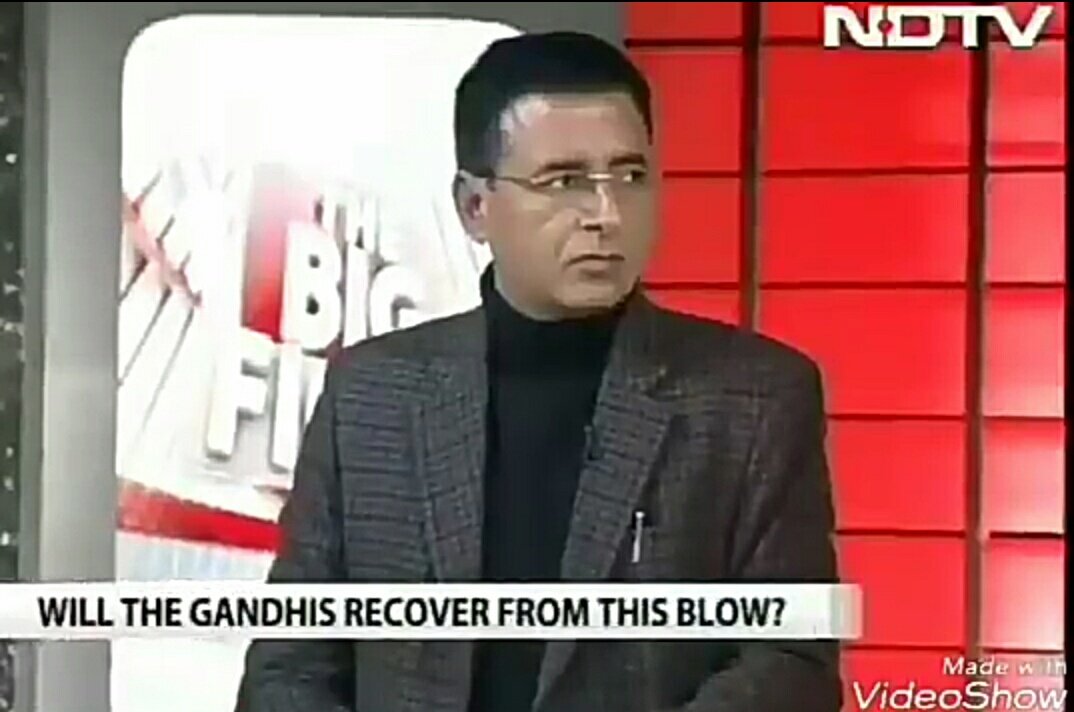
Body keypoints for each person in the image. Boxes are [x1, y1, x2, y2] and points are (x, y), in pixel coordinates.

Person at [236, 31, 842, 712]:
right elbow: (289, 665)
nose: (607, 215)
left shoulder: (755, 400)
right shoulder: (370, 396)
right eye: (565, 181)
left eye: (630, 176)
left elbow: (791, 662)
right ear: (475, 207)